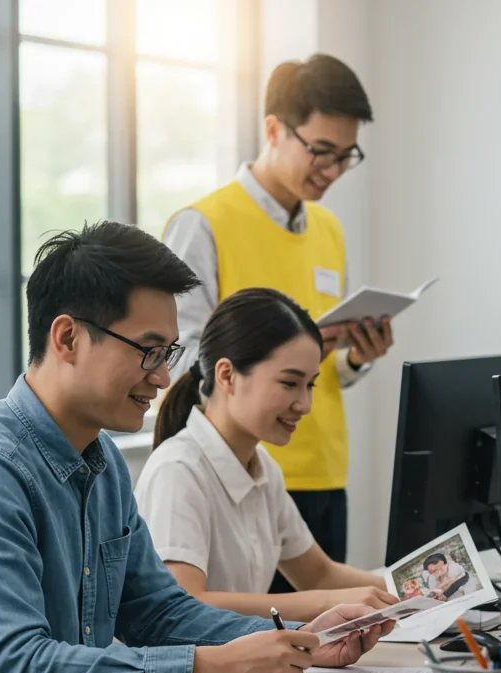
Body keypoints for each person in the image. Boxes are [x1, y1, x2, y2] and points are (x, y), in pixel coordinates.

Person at [0, 223, 394, 673]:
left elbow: (159, 611)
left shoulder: (100, 460)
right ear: (67, 339)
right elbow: (18, 672)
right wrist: (210, 667)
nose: (161, 377)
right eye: (148, 351)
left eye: (169, 353)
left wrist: (301, 639)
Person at [164, 54, 394, 591]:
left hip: (322, 470)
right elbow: (181, 357)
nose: (333, 170)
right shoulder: (203, 225)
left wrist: (356, 354)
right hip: (237, 470)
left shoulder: (329, 229)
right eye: (321, 151)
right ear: (273, 128)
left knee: (328, 655)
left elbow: (328, 370)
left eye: (346, 156)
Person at [137, 288, 397, 623]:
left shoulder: (263, 470)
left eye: (310, 385)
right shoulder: (178, 470)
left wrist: (422, 590)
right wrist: (327, 603)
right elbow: (187, 604)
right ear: (227, 375)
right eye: (290, 384)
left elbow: (319, 574)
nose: (305, 405)